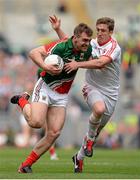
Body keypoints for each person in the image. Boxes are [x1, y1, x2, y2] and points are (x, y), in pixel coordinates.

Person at [10, 19, 93, 173]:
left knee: (54, 133)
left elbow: (90, 60)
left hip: (61, 95)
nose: (87, 43)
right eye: (84, 40)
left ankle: (25, 165)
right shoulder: (60, 46)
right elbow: (33, 52)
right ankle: (22, 100)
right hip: (45, 87)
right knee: (36, 122)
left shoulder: (86, 50)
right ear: (75, 38)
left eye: (88, 40)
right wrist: (45, 66)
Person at [50, 15, 121, 173]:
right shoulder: (92, 43)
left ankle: (79, 157)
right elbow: (71, 43)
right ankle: (89, 142)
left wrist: (77, 64)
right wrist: (58, 29)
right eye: (98, 30)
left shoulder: (114, 47)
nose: (100, 33)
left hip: (111, 94)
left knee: (95, 132)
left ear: (111, 32)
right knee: (99, 110)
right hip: (92, 87)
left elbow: (100, 63)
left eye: (103, 30)